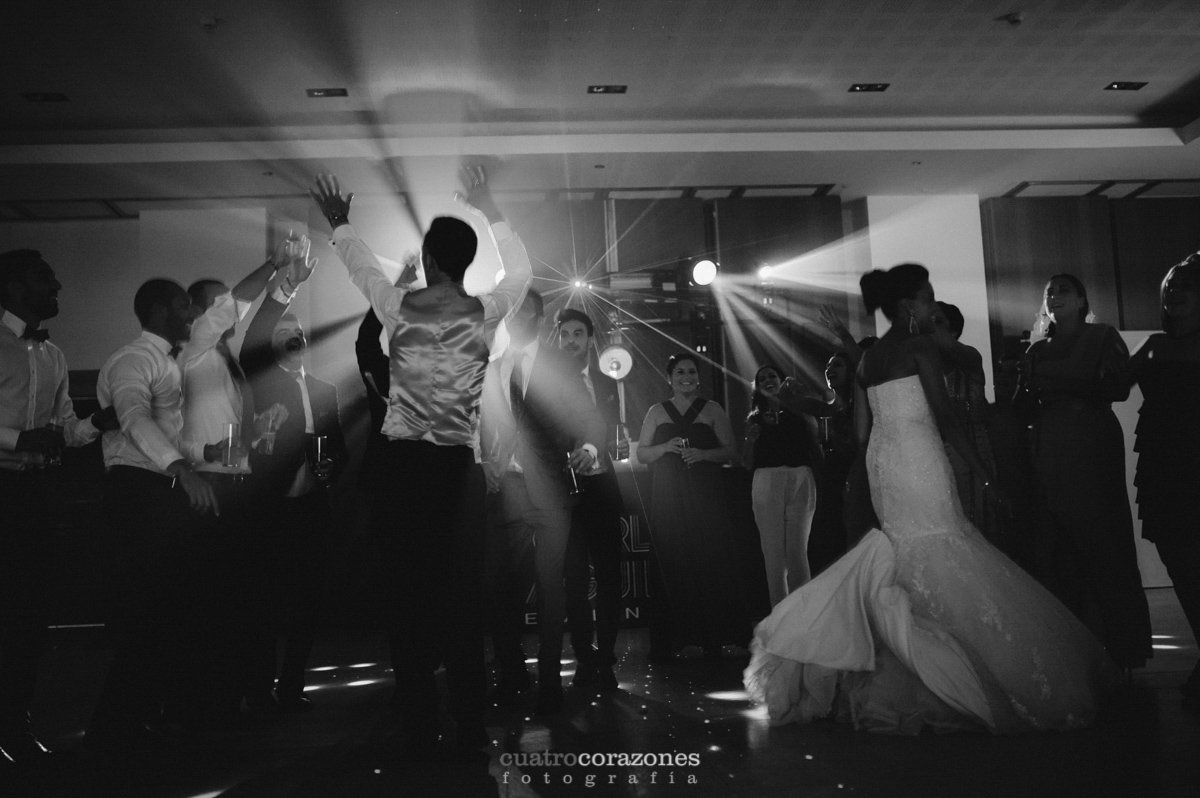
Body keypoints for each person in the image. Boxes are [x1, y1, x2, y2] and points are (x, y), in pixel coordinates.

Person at [745, 262, 1117, 734]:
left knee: (907, 548)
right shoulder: (918, 346)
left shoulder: (873, 356)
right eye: (926, 298)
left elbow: (861, 434)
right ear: (909, 305)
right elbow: (944, 417)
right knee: (943, 540)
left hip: (885, 461)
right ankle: (952, 669)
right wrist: (985, 476)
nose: (930, 305)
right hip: (918, 456)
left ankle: (907, 657)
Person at [309, 166, 531, 755]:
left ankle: (418, 724)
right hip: (457, 474)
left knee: (408, 600)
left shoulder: (398, 305)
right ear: (462, 262)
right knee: (461, 600)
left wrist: (340, 224)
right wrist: (488, 205)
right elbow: (525, 273)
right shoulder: (485, 311)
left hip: (403, 474)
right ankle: (468, 722)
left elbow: (360, 268)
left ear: (431, 260)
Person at [89, 278, 221, 751]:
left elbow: (166, 435)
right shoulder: (133, 358)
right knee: (148, 616)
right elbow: (133, 417)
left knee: (166, 615)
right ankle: (111, 733)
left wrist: (206, 451)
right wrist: (184, 471)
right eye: (186, 307)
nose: (193, 315)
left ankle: (139, 721)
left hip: (154, 491)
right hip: (134, 493)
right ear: (161, 310)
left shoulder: (169, 361)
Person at [178, 235, 305, 723]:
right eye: (216, 302)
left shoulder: (227, 359)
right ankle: (208, 701)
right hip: (205, 486)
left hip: (240, 487)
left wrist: (259, 435)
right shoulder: (192, 348)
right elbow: (238, 306)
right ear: (196, 313)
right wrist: (274, 265)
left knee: (246, 601)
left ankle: (238, 693)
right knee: (213, 604)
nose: (225, 308)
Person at [0, 250, 117, 765]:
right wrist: (15, 435)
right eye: (45, 278)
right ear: (13, 286)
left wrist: (100, 423)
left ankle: (14, 726)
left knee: (29, 618)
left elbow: (66, 428)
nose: (58, 286)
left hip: (34, 497)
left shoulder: (54, 355)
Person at [480, 292, 605, 715]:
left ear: (536, 315)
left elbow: (589, 417)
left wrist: (588, 445)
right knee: (501, 590)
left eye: (521, 309)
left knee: (552, 588)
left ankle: (550, 680)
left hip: (550, 489)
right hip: (505, 490)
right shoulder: (493, 367)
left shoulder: (560, 364)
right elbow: (479, 423)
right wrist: (484, 462)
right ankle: (512, 672)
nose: (513, 317)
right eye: (509, 311)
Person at [1019, 274, 1152, 671]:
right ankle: (1078, 644)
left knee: (1103, 535)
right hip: (1051, 442)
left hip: (1092, 440)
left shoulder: (1103, 336)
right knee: (1060, 539)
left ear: (1081, 300)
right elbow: (1025, 404)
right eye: (1049, 292)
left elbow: (1118, 389)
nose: (1055, 296)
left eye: (1063, 290)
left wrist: (1067, 387)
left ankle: (1122, 644)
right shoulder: (1036, 350)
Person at [238, 251, 343, 714]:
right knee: (262, 606)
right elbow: (254, 337)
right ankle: (259, 690)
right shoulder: (259, 378)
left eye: (298, 332)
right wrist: (286, 290)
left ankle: (293, 684)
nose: (294, 336)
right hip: (269, 509)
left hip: (312, 509)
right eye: (285, 332)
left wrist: (330, 468)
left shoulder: (326, 388)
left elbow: (339, 446)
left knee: (309, 604)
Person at [637, 353, 748, 659]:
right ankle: (677, 636)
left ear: (698, 377)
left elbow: (731, 451)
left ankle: (714, 635)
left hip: (705, 494)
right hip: (668, 495)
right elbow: (641, 455)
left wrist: (703, 454)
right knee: (673, 559)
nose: (686, 376)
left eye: (692, 372)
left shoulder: (712, 409)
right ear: (669, 377)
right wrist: (663, 447)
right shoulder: (656, 412)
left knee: (709, 558)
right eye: (680, 372)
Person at [1129, 253, 1200, 710]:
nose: (1173, 291)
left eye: (1184, 284)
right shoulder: (1153, 344)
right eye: (1168, 285)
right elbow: (1110, 386)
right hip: (1164, 462)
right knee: (1181, 563)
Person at [556, 307, 626, 693]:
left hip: (601, 489)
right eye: (564, 334)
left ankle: (607, 658)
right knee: (575, 580)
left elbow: (605, 423)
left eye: (577, 334)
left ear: (589, 339)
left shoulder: (605, 379)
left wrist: (591, 450)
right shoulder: (546, 381)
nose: (570, 340)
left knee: (611, 576)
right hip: (565, 492)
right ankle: (584, 656)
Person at [742, 364, 821, 606]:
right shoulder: (755, 418)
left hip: (800, 477)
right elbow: (746, 462)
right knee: (774, 554)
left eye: (772, 376)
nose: (768, 380)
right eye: (762, 378)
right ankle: (780, 615)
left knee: (798, 551)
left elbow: (815, 441)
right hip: (767, 480)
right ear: (757, 387)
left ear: (781, 380)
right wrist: (750, 439)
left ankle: (803, 612)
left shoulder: (798, 411)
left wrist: (800, 402)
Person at [930, 301, 1004, 546]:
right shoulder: (923, 366)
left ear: (953, 330)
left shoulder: (970, 356)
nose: (930, 327)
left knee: (975, 526)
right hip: (935, 452)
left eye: (938, 321)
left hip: (971, 449)